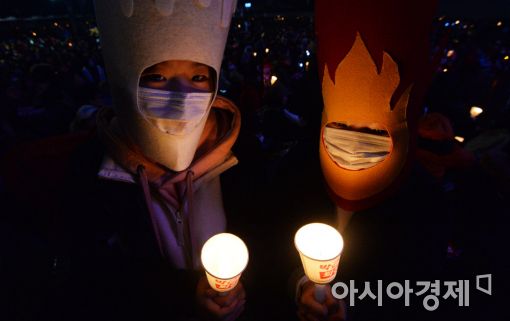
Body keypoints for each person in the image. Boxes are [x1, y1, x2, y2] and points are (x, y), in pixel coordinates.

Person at [1, 1, 244, 320]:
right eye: (157, 77)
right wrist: (184, 298)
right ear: (124, 76)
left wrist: (296, 283)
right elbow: (89, 286)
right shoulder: (86, 170)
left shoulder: (246, 157)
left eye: (198, 76)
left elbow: (274, 242)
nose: (180, 96)